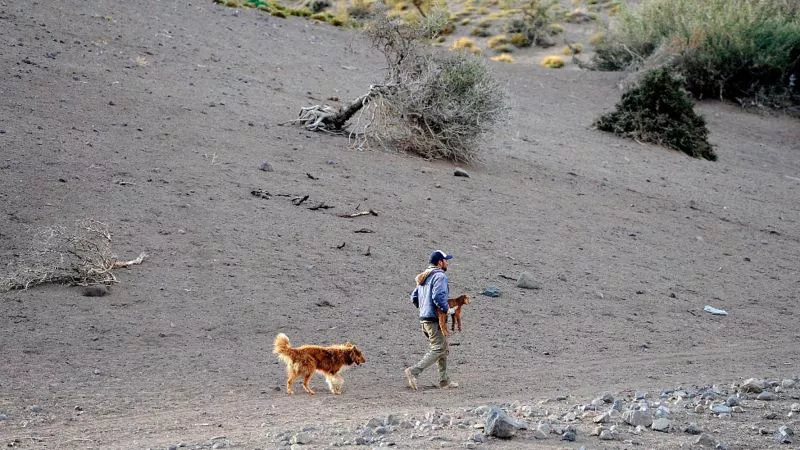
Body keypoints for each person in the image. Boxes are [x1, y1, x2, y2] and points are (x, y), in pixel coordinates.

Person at [404, 250, 459, 390]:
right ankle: (413, 371)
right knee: (439, 348)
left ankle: (444, 381)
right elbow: (438, 296)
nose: (447, 263)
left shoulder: (424, 276)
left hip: (424, 319)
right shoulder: (440, 276)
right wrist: (447, 310)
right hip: (434, 319)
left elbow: (414, 297)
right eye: (446, 260)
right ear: (440, 262)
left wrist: (424, 307)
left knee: (442, 348)